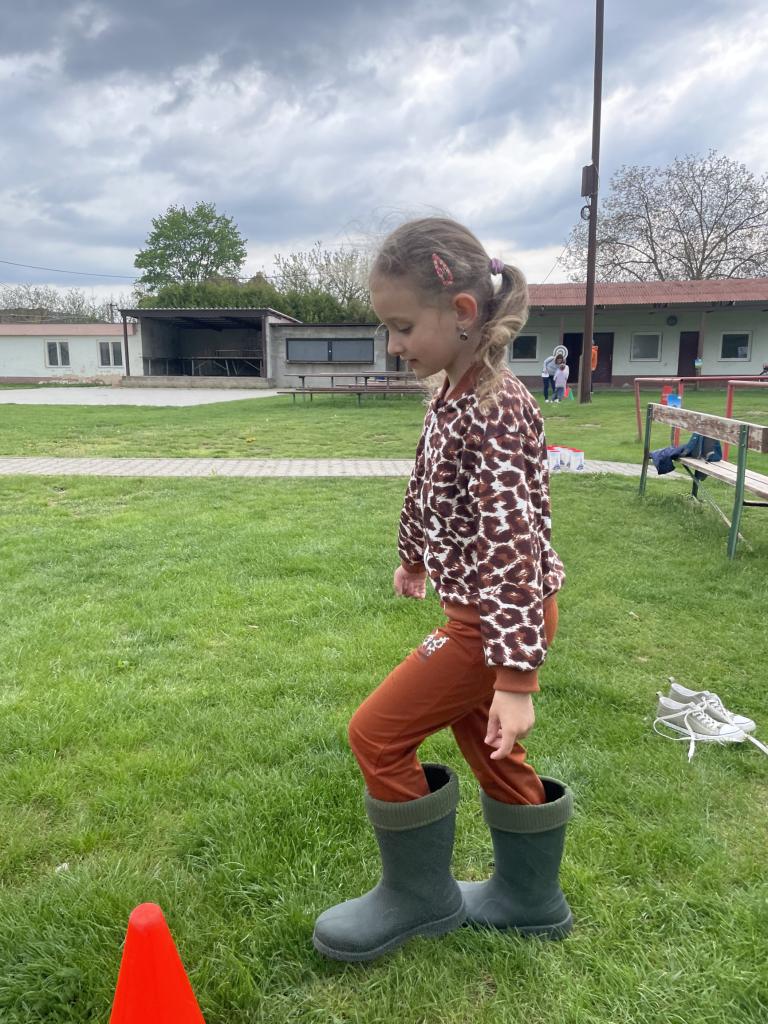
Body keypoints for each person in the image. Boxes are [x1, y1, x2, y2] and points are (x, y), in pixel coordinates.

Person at [312, 217, 573, 963]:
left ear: (461, 312)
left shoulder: (496, 407)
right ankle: (530, 900)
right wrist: (414, 557)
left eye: (402, 327)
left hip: (495, 623)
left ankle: (418, 898)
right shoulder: (453, 395)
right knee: (488, 750)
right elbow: (427, 487)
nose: (393, 344)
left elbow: (514, 546)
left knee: (376, 734)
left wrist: (515, 679)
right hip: (480, 613)